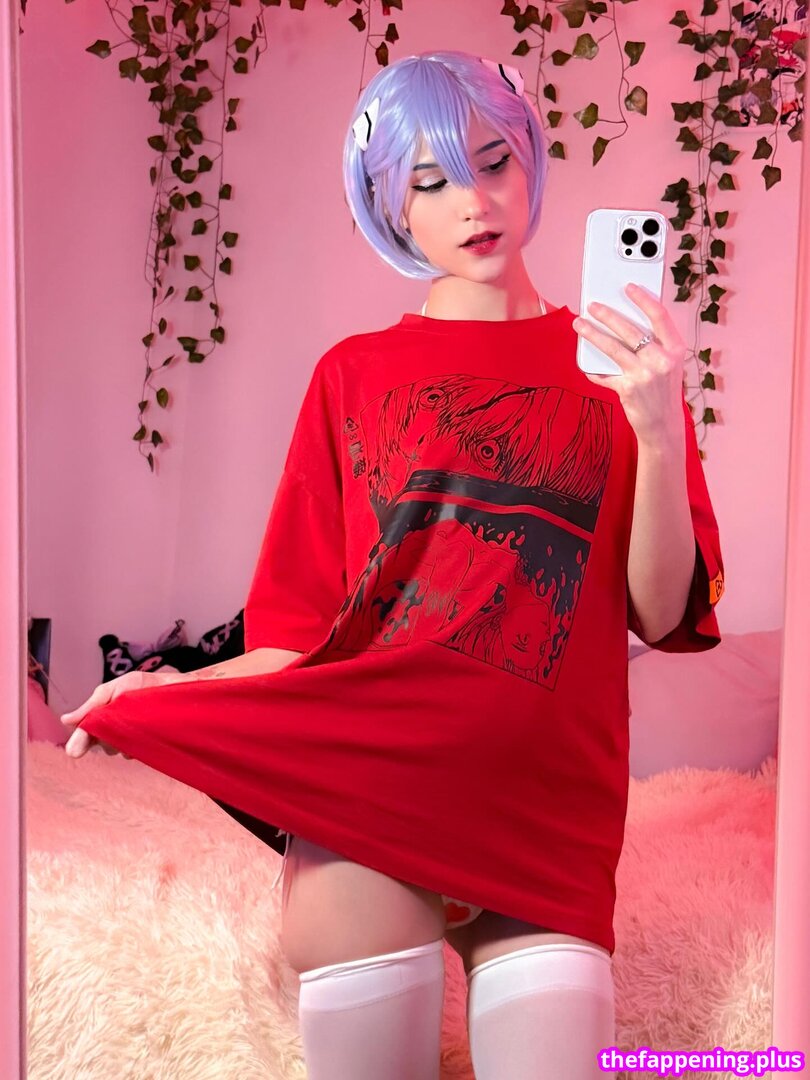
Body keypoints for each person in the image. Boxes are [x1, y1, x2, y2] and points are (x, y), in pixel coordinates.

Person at [64, 50, 725, 1079]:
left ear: (531, 161)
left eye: (494, 162)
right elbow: (298, 636)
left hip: (549, 804)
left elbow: (658, 611)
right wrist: (167, 692)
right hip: (370, 788)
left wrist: (657, 427)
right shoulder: (351, 376)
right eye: (431, 182)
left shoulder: (624, 373)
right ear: (390, 208)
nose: (474, 202)